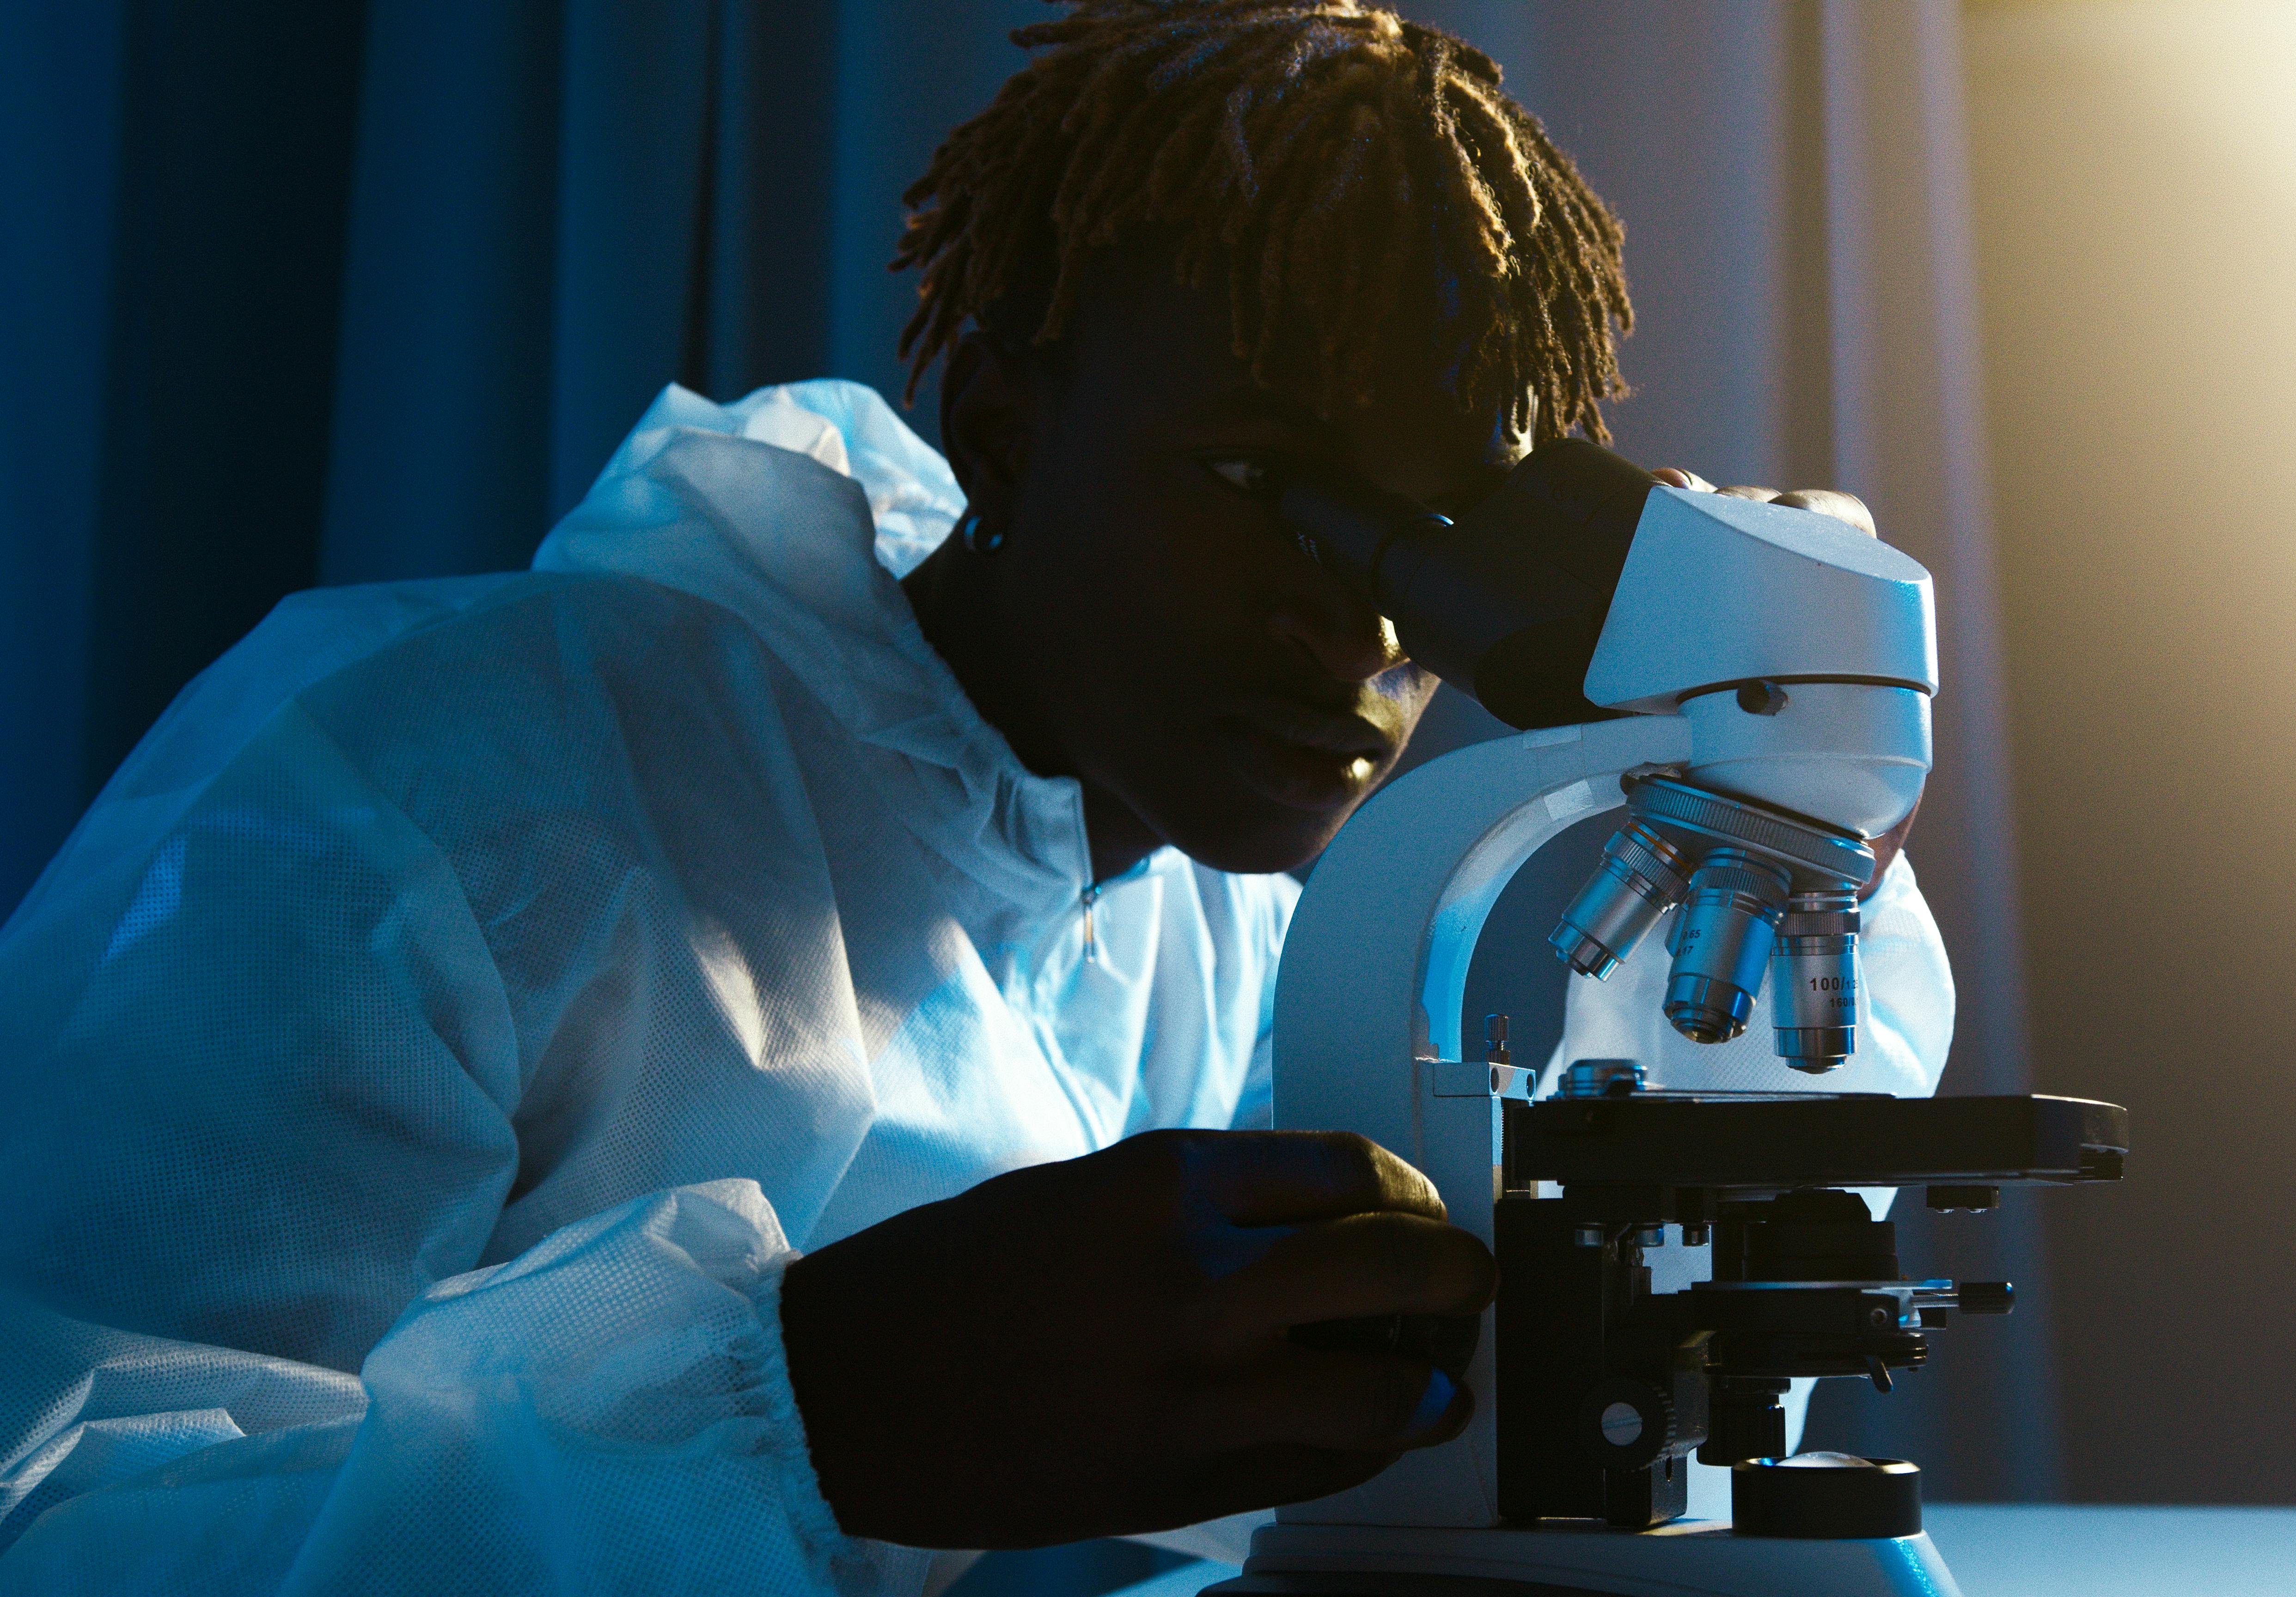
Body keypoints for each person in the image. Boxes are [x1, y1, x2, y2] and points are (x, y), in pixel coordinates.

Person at [0, 2, 1951, 1591]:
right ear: (1008, 432)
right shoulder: (428, 781)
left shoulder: (1234, 909)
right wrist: (807, 1417)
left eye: (1435, 528)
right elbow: (53, 1529)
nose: (1351, 612)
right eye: (1266, 482)